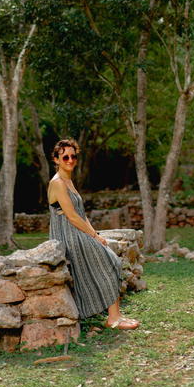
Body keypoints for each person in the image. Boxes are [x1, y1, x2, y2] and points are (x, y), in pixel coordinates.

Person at [48, 138, 139, 330]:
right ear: (56, 159)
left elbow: (80, 214)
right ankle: (113, 318)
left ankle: (116, 316)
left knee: (111, 259)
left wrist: (94, 233)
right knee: (109, 260)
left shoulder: (68, 181)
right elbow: (72, 217)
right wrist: (95, 237)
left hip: (77, 231)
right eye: (65, 157)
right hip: (67, 235)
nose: (70, 160)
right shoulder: (57, 183)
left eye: (73, 156)